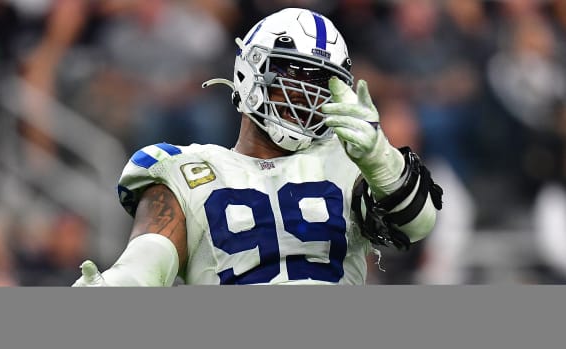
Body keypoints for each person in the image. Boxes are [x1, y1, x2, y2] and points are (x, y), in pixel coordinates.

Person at [72, 7, 442, 286]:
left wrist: (380, 158)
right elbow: (149, 260)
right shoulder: (185, 169)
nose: (307, 94)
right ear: (251, 72)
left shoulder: (352, 159)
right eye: (292, 74)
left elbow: (419, 224)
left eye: (320, 82)